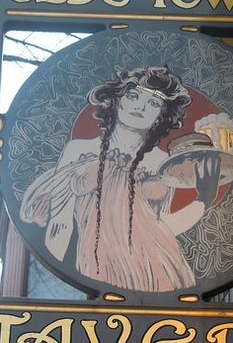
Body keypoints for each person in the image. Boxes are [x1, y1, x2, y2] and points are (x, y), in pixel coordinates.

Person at [20, 67, 220, 292]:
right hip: (98, 268)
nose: (141, 107)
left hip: (161, 272)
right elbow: (60, 223)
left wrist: (203, 200)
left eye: (153, 103)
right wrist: (59, 282)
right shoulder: (79, 150)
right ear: (116, 100)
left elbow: (164, 227)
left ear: (162, 114)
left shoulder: (161, 161)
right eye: (133, 96)